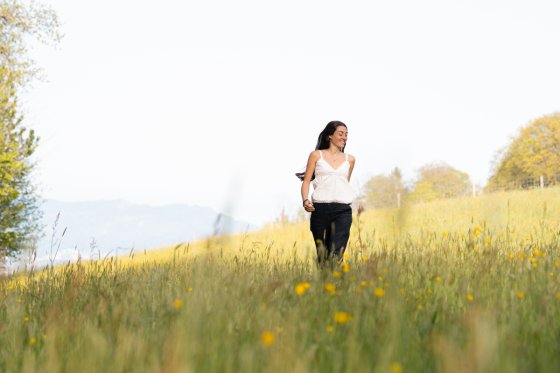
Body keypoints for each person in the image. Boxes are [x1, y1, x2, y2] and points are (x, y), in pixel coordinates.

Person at [296, 121, 356, 265]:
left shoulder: (350, 160)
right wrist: (305, 201)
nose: (344, 137)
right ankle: (324, 285)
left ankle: (336, 285)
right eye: (340, 134)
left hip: (342, 211)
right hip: (320, 210)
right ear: (330, 136)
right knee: (323, 257)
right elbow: (306, 182)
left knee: (336, 255)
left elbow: (344, 183)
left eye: (346, 135)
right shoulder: (316, 155)